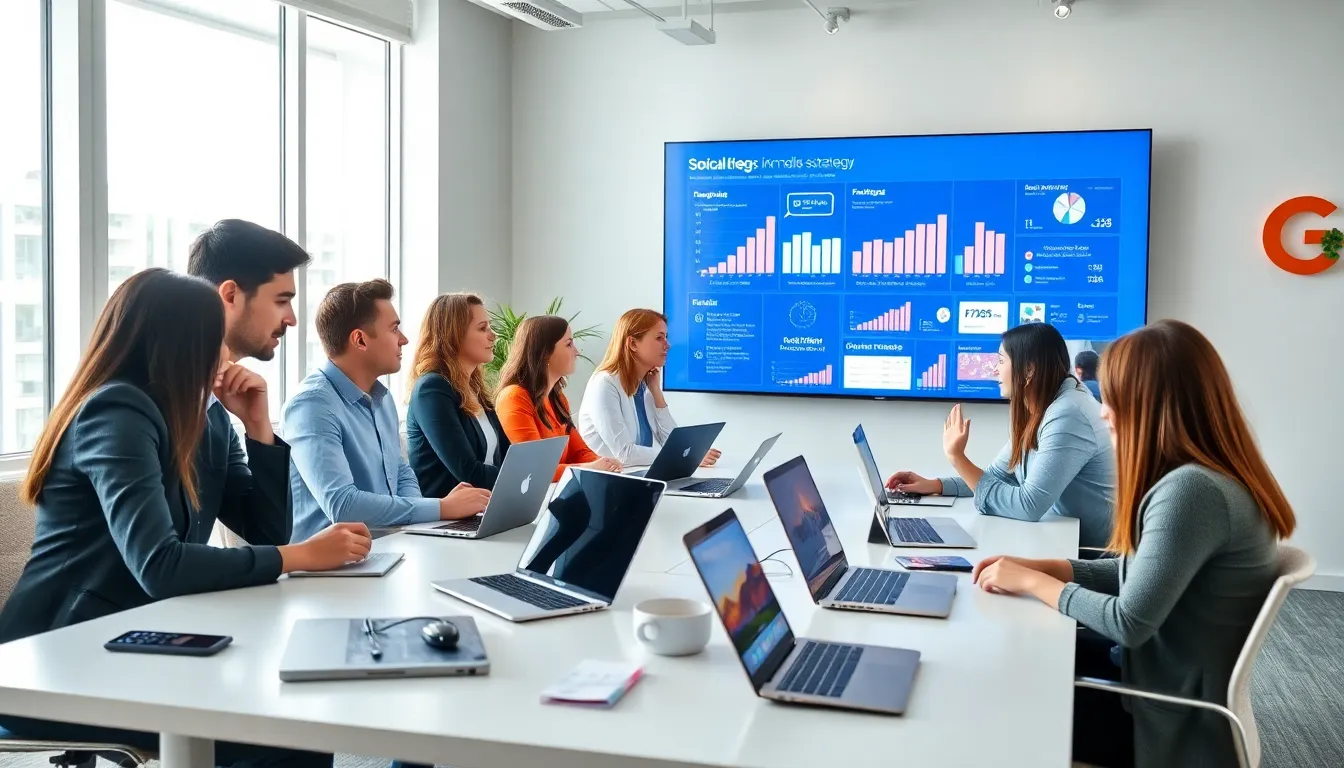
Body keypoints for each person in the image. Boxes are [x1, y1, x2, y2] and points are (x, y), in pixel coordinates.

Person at [0, 269, 364, 768]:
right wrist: (300, 556)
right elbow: (160, 565)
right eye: (217, 337)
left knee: (289, 706)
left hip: (142, 631)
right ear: (182, 342)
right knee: (280, 731)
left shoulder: (208, 417)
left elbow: (265, 530)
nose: (227, 350)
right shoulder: (116, 411)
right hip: (58, 656)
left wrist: (257, 425)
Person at [971, 320, 1295, 768]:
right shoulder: (1204, 478)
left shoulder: (1192, 493)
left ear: (1156, 405)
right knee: (1007, 658)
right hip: (1161, 680)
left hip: (1163, 717)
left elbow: (1129, 622)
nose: (1104, 412)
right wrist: (1053, 568)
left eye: (1116, 398)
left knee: (993, 699)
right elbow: (1136, 574)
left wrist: (1032, 583)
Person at [283, 280, 490, 543]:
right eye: (394, 329)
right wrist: (442, 507)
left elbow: (401, 472)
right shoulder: (312, 405)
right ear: (360, 339)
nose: (403, 339)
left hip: (389, 548)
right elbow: (343, 506)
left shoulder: (382, 399)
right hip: (328, 571)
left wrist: (420, 525)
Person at [886, 323, 1115, 548]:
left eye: (1001, 361)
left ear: (1029, 370)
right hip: (1063, 539)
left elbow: (1029, 505)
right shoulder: (1042, 406)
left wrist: (957, 458)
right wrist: (934, 485)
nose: (994, 369)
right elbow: (996, 477)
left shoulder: (1068, 413)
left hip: (1094, 555)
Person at [578, 308, 720, 467]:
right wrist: (685, 455)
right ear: (632, 343)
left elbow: (669, 441)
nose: (667, 345)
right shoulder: (604, 384)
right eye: (659, 338)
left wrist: (656, 392)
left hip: (633, 476)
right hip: (607, 481)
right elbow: (625, 453)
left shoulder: (645, 385)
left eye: (666, 337)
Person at [405, 292, 512, 494]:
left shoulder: (475, 389)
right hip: (444, 517)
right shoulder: (432, 389)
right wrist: (520, 479)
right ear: (454, 335)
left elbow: (508, 457)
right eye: (483, 328)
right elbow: (469, 472)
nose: (493, 335)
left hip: (485, 505)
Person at [495, 315, 622, 482]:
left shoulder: (558, 399)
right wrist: (589, 469)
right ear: (545, 353)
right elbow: (534, 470)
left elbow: (580, 452)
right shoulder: (514, 397)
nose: (577, 352)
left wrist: (605, 465)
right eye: (569, 344)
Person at [187, 218, 307, 365]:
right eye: (281, 301)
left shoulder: (222, 385)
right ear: (230, 295)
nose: (292, 320)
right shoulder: (168, 385)